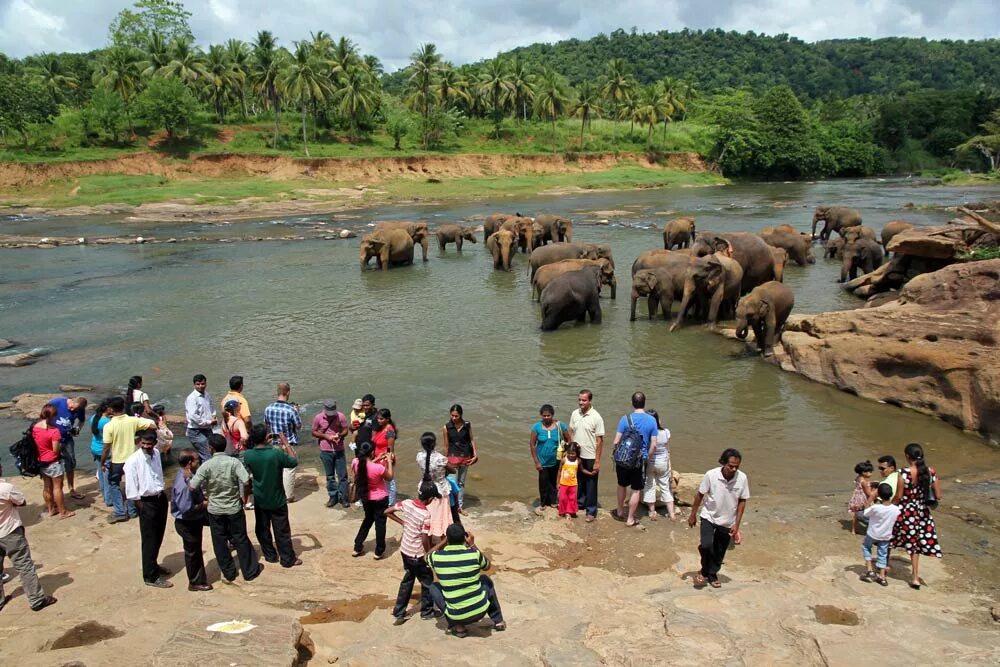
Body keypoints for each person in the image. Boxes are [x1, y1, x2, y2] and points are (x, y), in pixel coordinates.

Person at [189, 434, 262, 583]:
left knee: (219, 541)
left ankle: (229, 572)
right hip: (234, 507)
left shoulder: (206, 465)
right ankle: (249, 571)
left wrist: (205, 498)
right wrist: (244, 497)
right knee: (240, 538)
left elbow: (192, 486)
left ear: (211, 448)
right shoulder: (234, 462)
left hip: (215, 509)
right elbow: (246, 480)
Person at [426, 524, 506, 637]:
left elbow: (426, 556)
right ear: (464, 537)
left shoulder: (437, 557)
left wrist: (443, 541)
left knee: (434, 587)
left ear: (447, 539)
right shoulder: (474, 554)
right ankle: (498, 621)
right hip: (480, 611)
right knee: (485, 579)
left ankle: (459, 627)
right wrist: (472, 544)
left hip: (456, 615)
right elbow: (487, 566)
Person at [688, 448, 750, 589]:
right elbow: (700, 495)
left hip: (728, 520)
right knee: (706, 545)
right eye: (730, 465)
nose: (733, 469)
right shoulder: (711, 475)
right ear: (723, 463)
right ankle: (704, 571)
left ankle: (712, 573)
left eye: (736, 466)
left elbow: (742, 501)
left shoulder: (742, 478)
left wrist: (737, 524)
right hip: (709, 516)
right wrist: (693, 514)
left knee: (720, 550)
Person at [241, 424, 302, 568]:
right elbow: (293, 461)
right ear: (266, 437)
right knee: (282, 531)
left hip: (260, 499)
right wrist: (285, 443)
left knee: (262, 529)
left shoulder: (248, 455)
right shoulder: (275, 453)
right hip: (277, 499)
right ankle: (287, 559)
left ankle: (270, 555)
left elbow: (246, 479)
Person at [0, 462, 58, 613]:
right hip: (9, 531)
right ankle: (36, 599)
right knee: (24, 566)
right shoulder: (5, 488)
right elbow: (21, 502)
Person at [890, 442, 942, 590]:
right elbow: (938, 495)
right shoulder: (930, 472)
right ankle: (915, 577)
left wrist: (889, 507)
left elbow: (899, 496)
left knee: (890, 536)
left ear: (907, 456)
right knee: (916, 546)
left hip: (905, 511)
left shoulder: (903, 473)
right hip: (922, 512)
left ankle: (883, 568)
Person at [385, 481, 438, 624]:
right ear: (430, 499)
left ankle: (399, 611)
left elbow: (387, 512)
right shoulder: (426, 515)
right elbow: (425, 538)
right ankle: (427, 611)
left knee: (408, 579)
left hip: (405, 550)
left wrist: (402, 522)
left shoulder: (407, 503)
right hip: (418, 553)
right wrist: (428, 553)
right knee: (427, 582)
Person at [123, 429, 171, 588]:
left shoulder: (156, 453)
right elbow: (131, 488)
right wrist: (141, 507)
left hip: (159, 497)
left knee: (158, 535)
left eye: (149, 444)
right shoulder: (133, 461)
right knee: (149, 539)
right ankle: (150, 576)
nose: (145, 446)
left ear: (154, 444)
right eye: (143, 444)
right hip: (145, 502)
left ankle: (153, 564)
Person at [101, 396, 156, 524]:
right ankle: (132, 510)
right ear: (124, 407)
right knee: (132, 483)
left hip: (117, 460)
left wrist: (103, 462)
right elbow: (152, 425)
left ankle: (120, 512)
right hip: (133, 458)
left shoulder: (109, 426)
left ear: (110, 409)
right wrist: (141, 437)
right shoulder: (133, 421)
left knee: (114, 483)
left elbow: (106, 448)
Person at [612, 392, 658, 527]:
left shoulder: (625, 419)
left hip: (624, 459)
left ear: (632, 403)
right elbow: (654, 444)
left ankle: (620, 511)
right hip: (639, 461)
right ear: (644, 403)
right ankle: (630, 519)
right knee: (636, 489)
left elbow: (616, 441)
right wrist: (647, 457)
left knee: (621, 485)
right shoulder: (651, 420)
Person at [170, 448, 212, 592]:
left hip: (193, 520)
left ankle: (198, 579)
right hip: (187, 522)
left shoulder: (187, 476)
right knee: (193, 552)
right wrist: (203, 504)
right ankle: (195, 582)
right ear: (189, 463)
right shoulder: (183, 484)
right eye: (197, 460)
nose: (199, 462)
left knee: (195, 550)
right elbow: (186, 509)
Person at [351, 441, 394, 559]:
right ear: (371, 453)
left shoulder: (355, 462)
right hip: (380, 498)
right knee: (380, 524)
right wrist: (389, 461)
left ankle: (357, 546)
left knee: (368, 520)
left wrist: (376, 459)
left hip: (365, 497)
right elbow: (390, 477)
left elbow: (365, 467)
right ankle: (379, 551)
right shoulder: (378, 468)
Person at [568, 389, 605, 522]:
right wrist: (571, 449)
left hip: (590, 455)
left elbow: (600, 441)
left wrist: (597, 460)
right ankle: (580, 504)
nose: (581, 403)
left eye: (584, 400)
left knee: (591, 483)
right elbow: (571, 432)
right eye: (579, 400)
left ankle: (591, 511)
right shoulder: (574, 414)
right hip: (577, 455)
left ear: (590, 401)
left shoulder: (596, 417)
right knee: (578, 481)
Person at [32, 405, 74, 519]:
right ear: (53, 415)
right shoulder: (54, 431)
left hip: (41, 461)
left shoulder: (35, 427)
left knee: (47, 486)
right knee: (57, 487)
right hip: (53, 461)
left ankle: (51, 510)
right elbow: (55, 450)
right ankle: (63, 512)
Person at [263, 382, 301, 503]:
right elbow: (299, 426)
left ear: (277, 392)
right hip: (288, 443)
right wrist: (297, 411)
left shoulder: (268, 408)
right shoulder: (291, 410)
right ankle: (288, 495)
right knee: (289, 469)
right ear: (288, 393)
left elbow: (266, 425)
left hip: (274, 443)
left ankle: (277, 492)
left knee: (276, 469)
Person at [529, 404, 570, 512]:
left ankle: (552, 501)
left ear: (552, 415)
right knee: (543, 483)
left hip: (556, 460)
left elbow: (569, 440)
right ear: (541, 415)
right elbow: (532, 444)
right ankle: (543, 503)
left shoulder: (560, 426)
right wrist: (536, 461)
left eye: (548, 415)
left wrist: (567, 455)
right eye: (544, 416)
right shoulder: (536, 427)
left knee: (553, 482)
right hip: (542, 461)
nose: (546, 417)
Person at [860, 482, 900, 587]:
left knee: (866, 547)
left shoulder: (876, 508)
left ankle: (870, 570)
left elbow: (865, 512)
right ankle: (882, 577)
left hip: (872, 533)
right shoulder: (896, 509)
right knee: (882, 554)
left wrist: (871, 498)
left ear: (879, 495)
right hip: (886, 535)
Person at [48, 396, 88, 501]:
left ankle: (71, 489)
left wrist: (78, 429)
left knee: (70, 462)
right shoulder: (57, 401)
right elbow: (45, 413)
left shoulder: (80, 410)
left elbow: (82, 421)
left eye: (74, 409)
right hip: (53, 439)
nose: (71, 410)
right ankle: (55, 490)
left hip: (67, 439)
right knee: (53, 465)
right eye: (71, 407)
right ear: (72, 401)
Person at [312, 399, 350, 508]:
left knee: (342, 475)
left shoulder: (341, 416)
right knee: (330, 476)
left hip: (339, 449)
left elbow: (345, 430)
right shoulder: (318, 418)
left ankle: (343, 497)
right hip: (325, 450)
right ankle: (333, 496)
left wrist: (339, 435)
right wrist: (326, 437)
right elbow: (314, 432)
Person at [416, 432, 453, 543]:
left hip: (425, 487)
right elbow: (453, 470)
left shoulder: (419, 456)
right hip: (440, 489)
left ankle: (429, 541)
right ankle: (443, 542)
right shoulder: (441, 458)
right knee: (442, 518)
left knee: (427, 516)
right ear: (435, 443)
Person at [442, 405, 478, 512]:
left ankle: (459, 506)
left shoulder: (467, 425)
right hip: (452, 459)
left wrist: (475, 454)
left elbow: (471, 440)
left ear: (461, 415)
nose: (453, 418)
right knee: (452, 483)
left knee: (461, 483)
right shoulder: (446, 427)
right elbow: (446, 445)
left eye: (456, 416)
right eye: (452, 416)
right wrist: (445, 460)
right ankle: (452, 505)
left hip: (465, 458)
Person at [642, 409, 675, 521]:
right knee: (665, 487)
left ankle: (652, 512)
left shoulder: (646, 432)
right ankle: (672, 514)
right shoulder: (666, 432)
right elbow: (668, 450)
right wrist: (670, 466)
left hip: (650, 462)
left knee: (649, 485)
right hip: (663, 463)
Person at [184, 374, 217, 462]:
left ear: (206, 384)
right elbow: (194, 417)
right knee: (207, 456)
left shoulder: (207, 395)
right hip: (196, 431)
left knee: (213, 451)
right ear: (194, 385)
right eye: (198, 384)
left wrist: (213, 416)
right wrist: (209, 422)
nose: (200, 386)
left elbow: (212, 407)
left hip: (207, 429)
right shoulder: (192, 398)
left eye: (202, 384)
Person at [89, 399, 114, 507]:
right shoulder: (107, 422)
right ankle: (109, 499)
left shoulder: (93, 418)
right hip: (104, 451)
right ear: (107, 409)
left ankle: (104, 495)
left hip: (95, 448)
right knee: (108, 476)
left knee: (101, 472)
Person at [371, 408, 398, 504]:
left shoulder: (389, 431)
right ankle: (383, 498)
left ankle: (390, 502)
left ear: (388, 419)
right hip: (378, 457)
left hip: (385, 458)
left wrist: (387, 461)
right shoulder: (380, 427)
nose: (379, 421)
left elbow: (390, 448)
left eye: (381, 419)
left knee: (389, 481)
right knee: (381, 480)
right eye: (378, 418)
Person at [849, 461, 875, 535]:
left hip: (856, 498)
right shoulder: (864, 482)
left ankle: (854, 529)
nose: (871, 474)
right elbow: (869, 493)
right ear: (864, 472)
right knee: (867, 512)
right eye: (870, 472)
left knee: (855, 514)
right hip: (863, 499)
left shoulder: (858, 478)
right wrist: (875, 490)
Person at [557, 443, 580, 519]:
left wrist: (590, 473)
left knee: (572, 498)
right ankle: (562, 510)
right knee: (562, 498)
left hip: (573, 484)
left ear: (576, 453)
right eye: (569, 453)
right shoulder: (564, 460)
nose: (571, 455)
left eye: (573, 453)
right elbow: (559, 471)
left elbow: (582, 470)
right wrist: (558, 483)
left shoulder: (578, 461)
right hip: (563, 483)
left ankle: (568, 512)